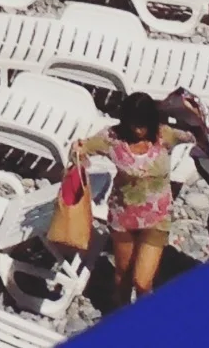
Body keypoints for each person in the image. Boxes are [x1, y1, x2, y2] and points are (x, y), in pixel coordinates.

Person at [77, 92, 182, 303]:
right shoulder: (112, 139)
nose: (137, 130)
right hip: (123, 216)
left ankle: (144, 322)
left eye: (142, 124)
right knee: (122, 277)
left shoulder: (165, 136)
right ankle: (122, 320)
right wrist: (79, 160)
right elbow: (83, 147)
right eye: (133, 124)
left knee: (143, 282)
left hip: (157, 218)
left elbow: (202, 137)